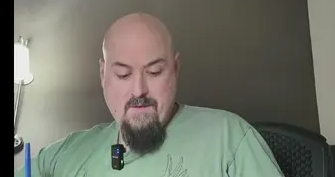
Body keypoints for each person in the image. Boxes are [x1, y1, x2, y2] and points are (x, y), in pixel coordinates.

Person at [36, 13, 283, 176]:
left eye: (154, 72)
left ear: (176, 69)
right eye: (123, 74)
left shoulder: (230, 138)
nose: (139, 90)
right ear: (103, 74)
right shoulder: (64, 155)